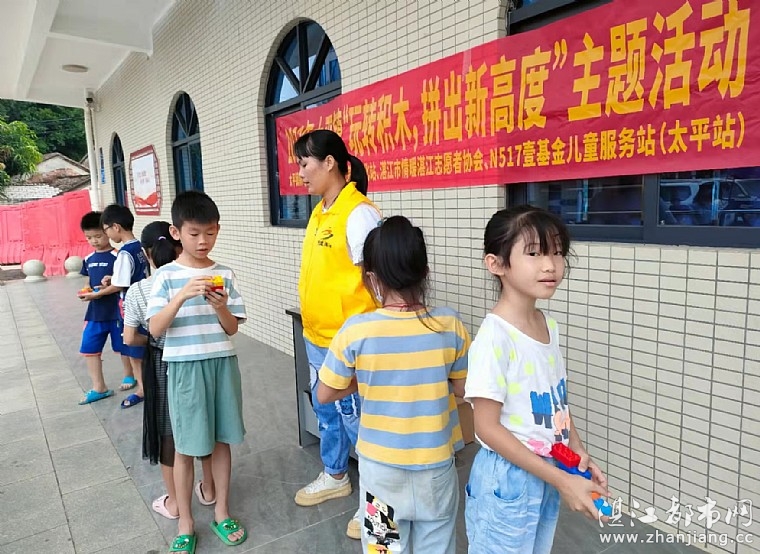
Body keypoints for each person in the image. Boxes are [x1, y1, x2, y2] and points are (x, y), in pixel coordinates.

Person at [317, 216, 470, 553]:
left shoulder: (357, 330)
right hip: (436, 470)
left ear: (372, 278)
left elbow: (325, 393)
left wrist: (365, 379)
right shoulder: (450, 324)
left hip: (379, 475)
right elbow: (463, 389)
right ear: (424, 272)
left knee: (382, 549)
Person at [464, 206, 608, 554]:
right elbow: (486, 428)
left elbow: (556, 402)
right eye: (534, 253)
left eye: (557, 252)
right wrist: (562, 481)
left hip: (547, 468)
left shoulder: (547, 325)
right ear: (496, 264)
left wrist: (577, 452)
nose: (550, 265)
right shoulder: (495, 338)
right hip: (507, 479)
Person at [293, 129, 381, 540]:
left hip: (350, 343)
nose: (300, 173)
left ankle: (377, 504)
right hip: (318, 336)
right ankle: (335, 475)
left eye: (304, 164)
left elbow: (378, 280)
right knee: (327, 412)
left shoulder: (359, 213)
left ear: (330, 163)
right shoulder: (319, 212)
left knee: (360, 422)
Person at [148, 191, 247, 553]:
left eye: (210, 233)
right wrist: (180, 297)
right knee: (186, 447)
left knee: (222, 440)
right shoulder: (166, 276)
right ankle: (186, 522)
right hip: (185, 368)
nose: (203, 241)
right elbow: (155, 329)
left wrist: (221, 307)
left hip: (221, 363)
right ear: (177, 233)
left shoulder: (225, 273)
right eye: (194, 233)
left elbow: (232, 328)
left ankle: (221, 512)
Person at [122, 221, 216, 521]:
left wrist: (153, 340)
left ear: (145, 253)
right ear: (180, 243)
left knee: (169, 432)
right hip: (198, 358)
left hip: (162, 365)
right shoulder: (200, 281)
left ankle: (175, 503)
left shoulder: (138, 290)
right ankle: (209, 489)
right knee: (204, 422)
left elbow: (129, 338)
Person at [77, 211, 129, 405]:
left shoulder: (118, 256)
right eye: (89, 237)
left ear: (108, 231)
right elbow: (88, 281)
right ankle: (99, 387)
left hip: (116, 310)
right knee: (89, 347)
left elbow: (122, 282)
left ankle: (129, 375)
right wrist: (86, 291)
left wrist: (104, 289)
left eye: (98, 236)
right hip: (95, 312)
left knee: (123, 346)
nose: (94, 241)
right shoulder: (88, 258)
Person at [101, 203, 149, 408]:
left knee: (133, 348)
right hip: (145, 300)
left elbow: (120, 284)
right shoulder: (141, 247)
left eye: (106, 230)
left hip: (130, 305)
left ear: (116, 227)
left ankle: (143, 389)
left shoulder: (124, 253)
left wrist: (97, 294)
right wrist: (112, 278)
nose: (107, 235)